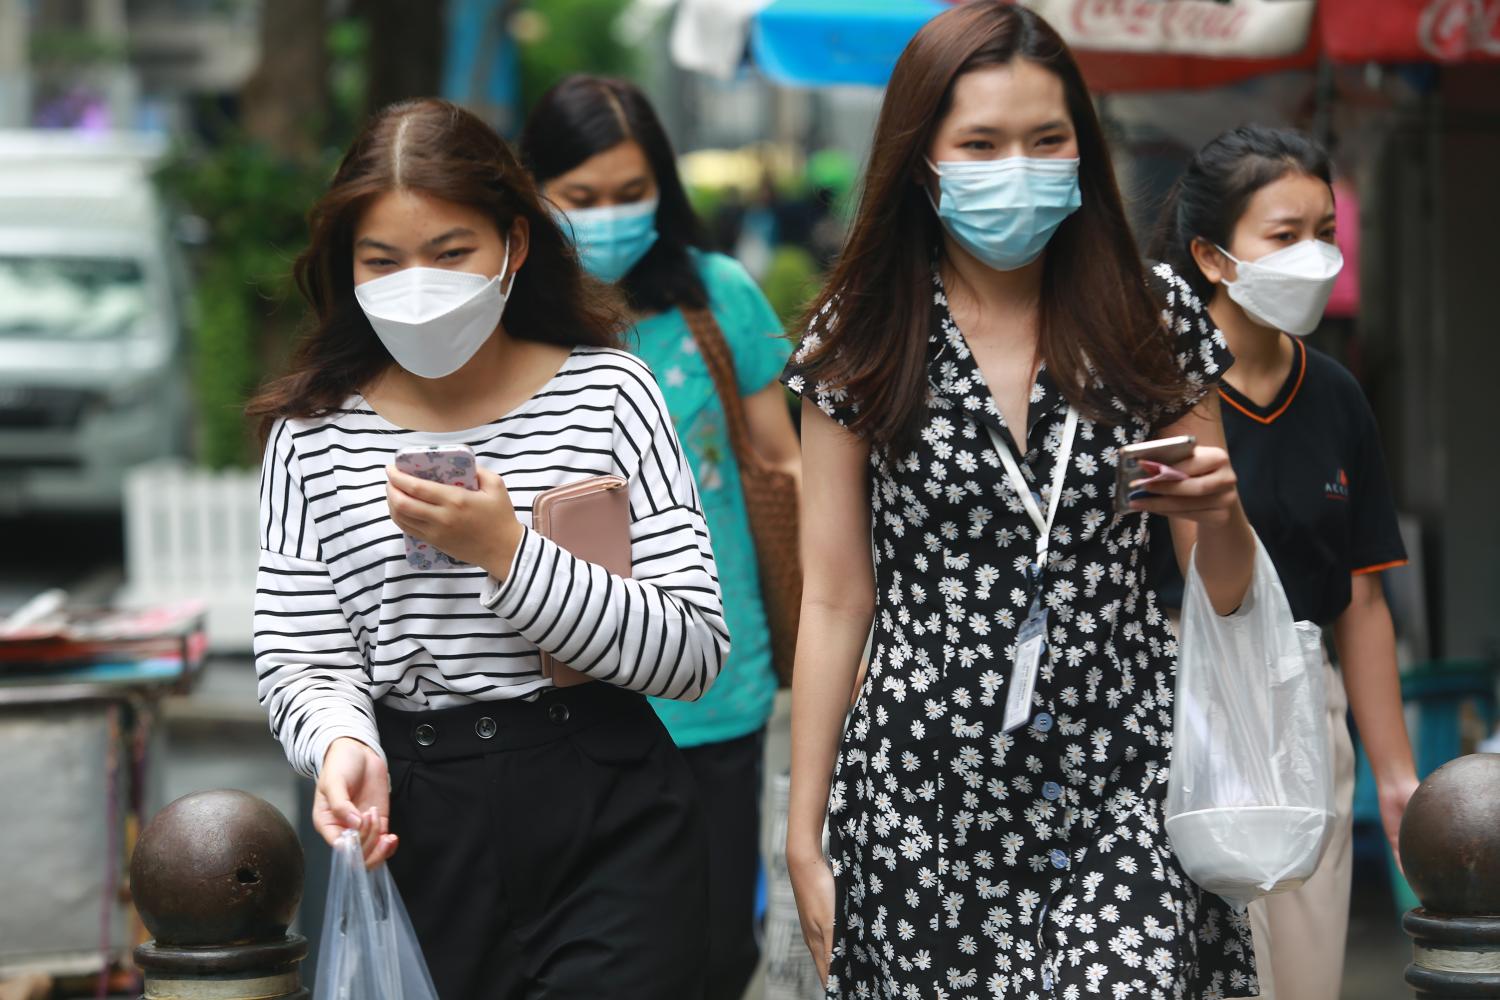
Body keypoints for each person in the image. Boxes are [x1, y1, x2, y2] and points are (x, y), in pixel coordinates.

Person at [781, 3, 1264, 997]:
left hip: (1122, 766)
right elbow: (835, 598)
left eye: (1048, 140)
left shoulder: (1152, 318)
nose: (1019, 166)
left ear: (1084, 150)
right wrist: (803, 827)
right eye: (982, 143)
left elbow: (1219, 588)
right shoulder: (859, 341)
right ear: (923, 159)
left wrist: (1221, 516)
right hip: (926, 788)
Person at [247, 98, 729, 1000]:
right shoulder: (310, 434)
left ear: (513, 244)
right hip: (416, 821)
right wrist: (343, 740)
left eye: (450, 252)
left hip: (607, 810)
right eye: (381, 261)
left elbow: (692, 651)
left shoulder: (611, 394)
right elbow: (299, 656)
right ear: (345, 268)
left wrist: (506, 549)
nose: (416, 285)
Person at [520, 74, 802, 1000]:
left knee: (720, 951)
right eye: (583, 197)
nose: (609, 217)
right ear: (533, 193)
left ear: (665, 189)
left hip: (718, 688)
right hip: (560, 691)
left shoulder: (715, 296)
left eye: (631, 192)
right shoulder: (513, 316)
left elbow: (783, 467)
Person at [1149, 125, 1418, 1000]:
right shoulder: (1157, 392)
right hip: (1173, 710)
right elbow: (1201, 581)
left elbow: (1364, 604)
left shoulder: (1336, 395)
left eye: (1326, 232)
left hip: (1306, 709)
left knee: (1300, 979)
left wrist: (1396, 776)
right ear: (1212, 257)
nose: (1315, 257)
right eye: (1284, 234)